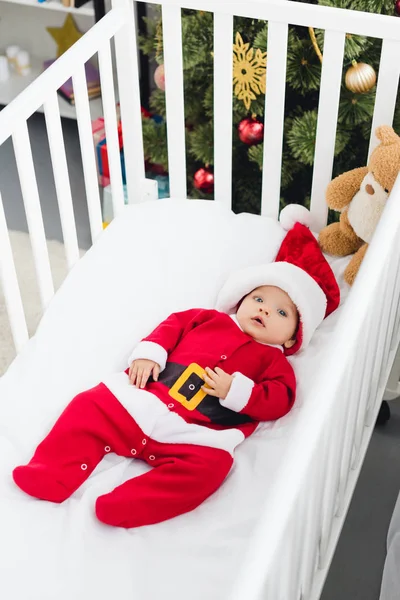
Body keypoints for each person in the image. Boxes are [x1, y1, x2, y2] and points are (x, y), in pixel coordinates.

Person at [12, 222, 340, 528]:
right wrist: (148, 354)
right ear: (240, 301)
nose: (265, 309)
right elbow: (171, 328)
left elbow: (280, 400)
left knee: (213, 469)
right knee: (89, 406)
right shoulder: (206, 319)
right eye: (258, 298)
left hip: (198, 435)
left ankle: (131, 503)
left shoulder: (276, 363)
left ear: (291, 337)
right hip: (144, 403)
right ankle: (52, 474)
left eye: (282, 312)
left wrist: (238, 391)